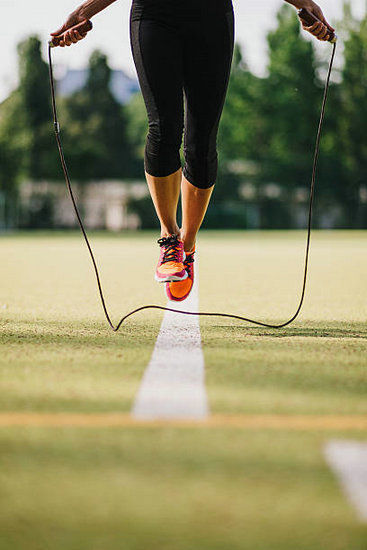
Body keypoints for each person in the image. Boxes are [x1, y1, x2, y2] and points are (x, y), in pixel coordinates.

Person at [51, 0, 334, 302]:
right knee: (164, 128)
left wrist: (303, 3)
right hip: (153, 14)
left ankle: (187, 244)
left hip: (212, 19)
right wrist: (84, 12)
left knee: (201, 143)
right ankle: (169, 238)